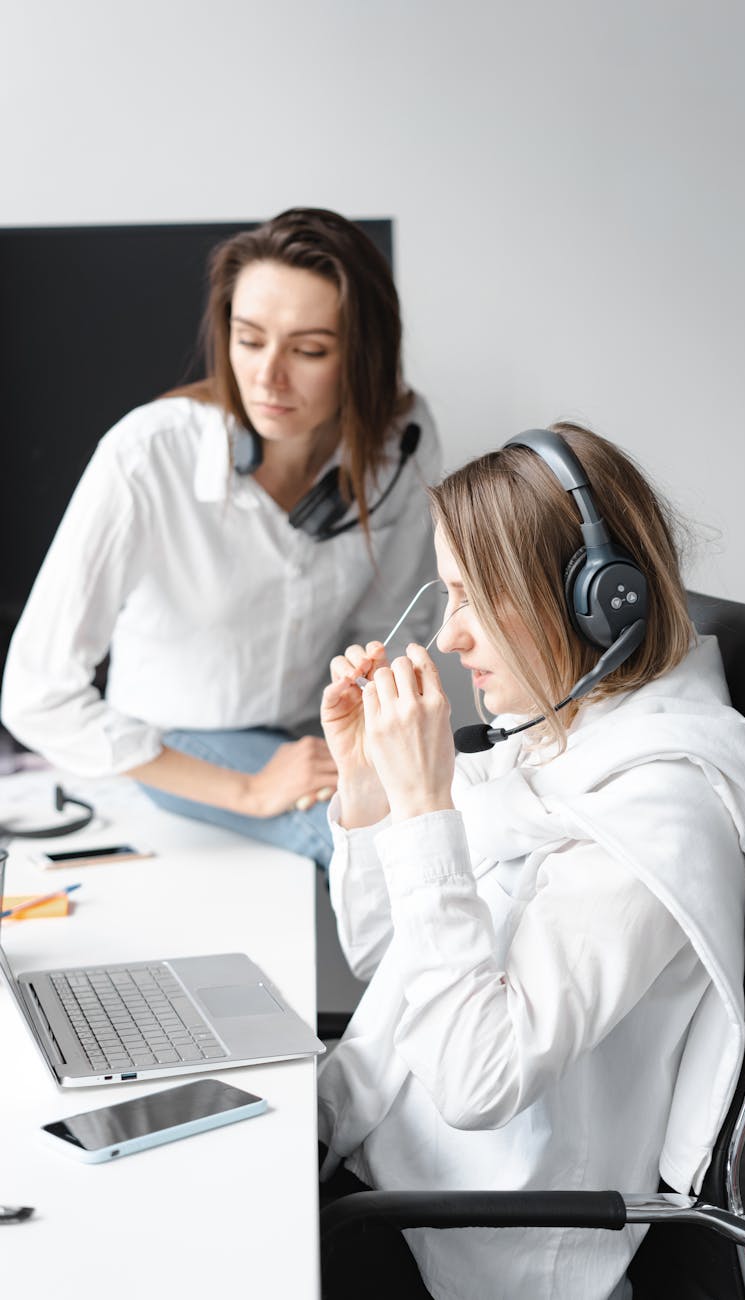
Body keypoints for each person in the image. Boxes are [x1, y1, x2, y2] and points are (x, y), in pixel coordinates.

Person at [316, 423, 745, 1299]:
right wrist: (369, 788)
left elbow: (475, 1080)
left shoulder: (656, 814)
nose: (450, 638)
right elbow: (389, 959)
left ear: (590, 601)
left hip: (458, 1238)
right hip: (386, 1155)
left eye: (470, 598)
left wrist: (424, 809)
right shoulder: (554, 749)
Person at [0, 208, 441, 869]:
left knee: (441, 817)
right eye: (248, 339)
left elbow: (397, 626)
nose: (267, 377)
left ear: (364, 357)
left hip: (312, 728)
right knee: (363, 841)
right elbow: (36, 695)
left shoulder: (398, 445)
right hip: (178, 741)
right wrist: (252, 787)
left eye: (309, 350)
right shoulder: (146, 455)